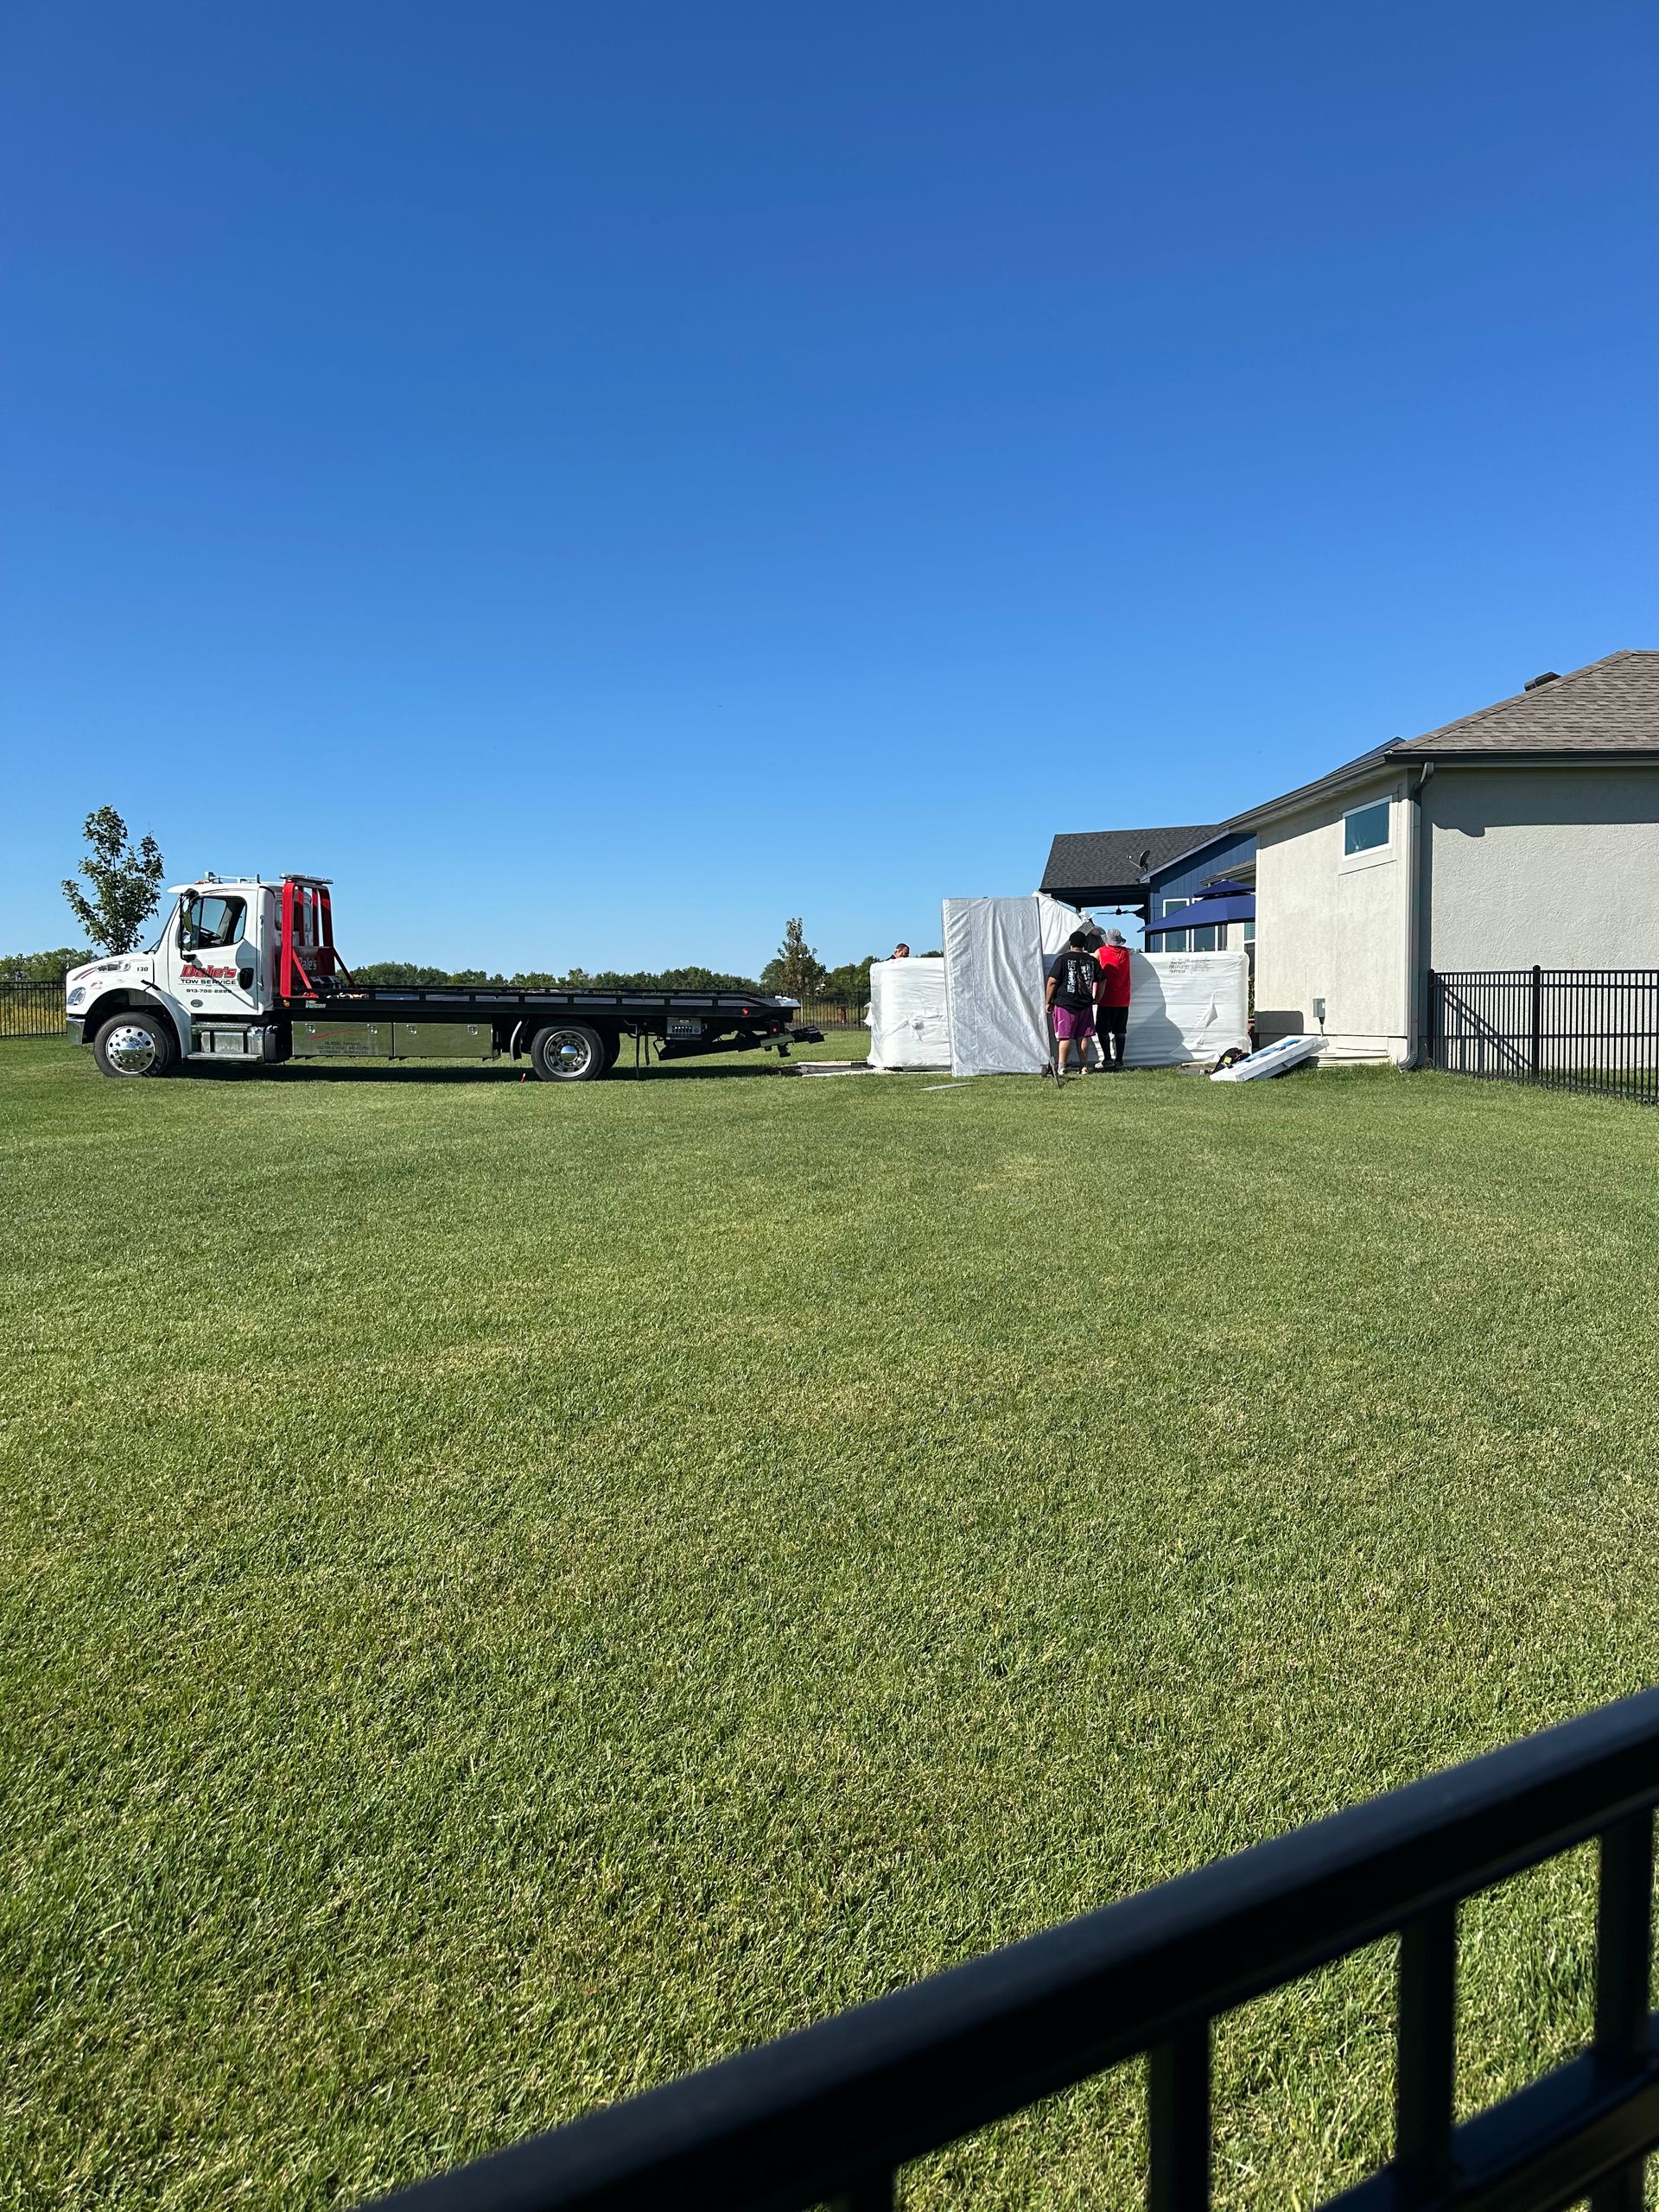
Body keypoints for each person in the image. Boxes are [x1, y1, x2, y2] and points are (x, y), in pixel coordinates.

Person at [1045, 928, 1099, 1076]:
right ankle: (1084, 1066)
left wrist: (1048, 1001)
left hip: (1065, 1003)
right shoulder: (1092, 961)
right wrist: (1097, 998)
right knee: (1083, 1036)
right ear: (1085, 944)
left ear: (1070, 944)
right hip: (1085, 1003)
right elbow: (1103, 979)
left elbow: (1052, 982)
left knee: (1065, 1036)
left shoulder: (1062, 959)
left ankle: (1062, 1067)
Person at [1095, 926, 1132, 1069]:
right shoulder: (1126, 953)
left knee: (1102, 1030)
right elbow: (1131, 950)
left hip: (1105, 997)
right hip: (1123, 999)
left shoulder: (1101, 952)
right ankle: (1119, 1059)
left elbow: (1091, 959)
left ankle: (1107, 1058)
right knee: (1120, 1030)